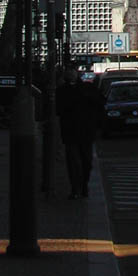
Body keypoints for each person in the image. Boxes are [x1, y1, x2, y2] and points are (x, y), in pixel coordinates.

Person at [55, 64, 103, 199]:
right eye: (68, 71)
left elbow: (99, 104)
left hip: (85, 131)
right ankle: (76, 188)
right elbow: (58, 109)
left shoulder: (87, 88)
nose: (70, 74)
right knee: (73, 161)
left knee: (86, 161)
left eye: (72, 71)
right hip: (71, 131)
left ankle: (82, 186)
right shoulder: (62, 91)